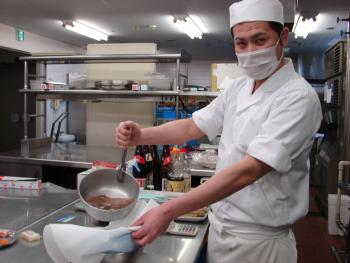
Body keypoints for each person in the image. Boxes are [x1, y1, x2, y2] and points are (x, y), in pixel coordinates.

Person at [115, 0, 322, 262]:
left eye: (260, 40)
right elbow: (193, 125)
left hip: (260, 243)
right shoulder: (240, 86)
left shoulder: (297, 96)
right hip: (221, 230)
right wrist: (142, 135)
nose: (250, 51)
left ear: (283, 36)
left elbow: (250, 170)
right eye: (241, 43)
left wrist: (169, 209)